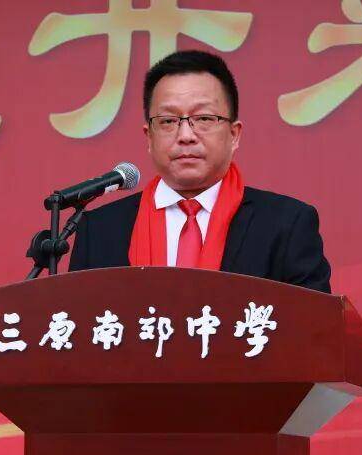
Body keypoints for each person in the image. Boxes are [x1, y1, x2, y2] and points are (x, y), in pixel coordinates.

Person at [69, 50, 331, 297]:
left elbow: (314, 325)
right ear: (149, 137)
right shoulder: (100, 230)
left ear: (234, 134)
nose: (186, 135)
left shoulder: (286, 224)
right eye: (168, 121)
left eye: (204, 118)